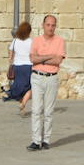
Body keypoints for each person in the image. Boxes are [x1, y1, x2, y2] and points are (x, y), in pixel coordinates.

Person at [27, 15, 66, 151]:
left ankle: (46, 140)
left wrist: (41, 59)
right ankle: (36, 141)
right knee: (36, 110)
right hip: (37, 77)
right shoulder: (36, 40)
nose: (50, 27)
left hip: (52, 78)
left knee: (48, 111)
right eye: (48, 25)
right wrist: (50, 56)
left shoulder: (60, 41)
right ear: (43, 25)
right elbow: (32, 59)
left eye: (53, 25)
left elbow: (58, 61)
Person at [6, 20, 34, 112]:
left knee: (20, 87)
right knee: (30, 87)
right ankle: (23, 104)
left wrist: (12, 61)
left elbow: (10, 56)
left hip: (17, 66)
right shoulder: (31, 42)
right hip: (28, 67)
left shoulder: (14, 41)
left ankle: (22, 106)